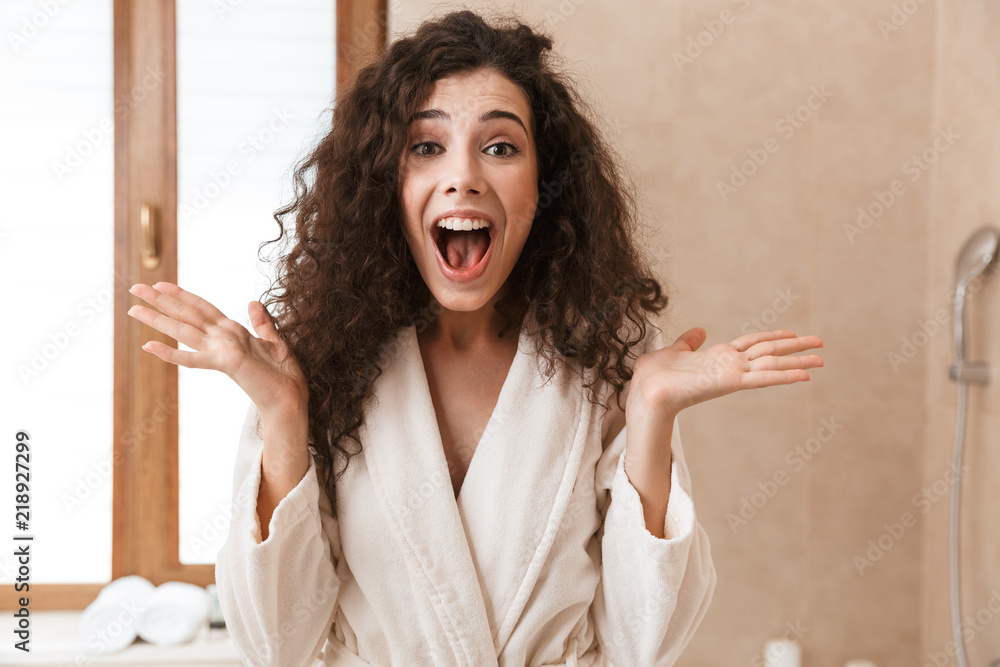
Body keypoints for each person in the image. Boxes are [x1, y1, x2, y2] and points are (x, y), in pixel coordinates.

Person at [127, 9, 823, 667]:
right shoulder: (325, 366)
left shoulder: (602, 362)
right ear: (385, 183)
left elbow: (647, 642)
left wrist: (650, 411)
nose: (462, 176)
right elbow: (276, 642)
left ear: (544, 183)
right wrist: (282, 413)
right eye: (426, 146)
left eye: (499, 146)